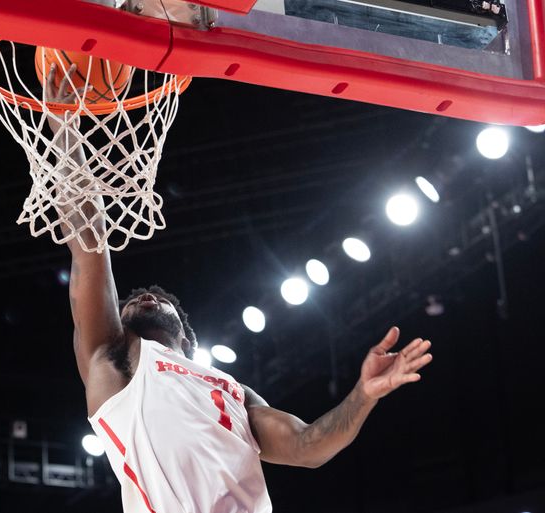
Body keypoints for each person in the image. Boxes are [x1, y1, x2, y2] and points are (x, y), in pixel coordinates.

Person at [44, 63, 433, 513]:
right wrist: (65, 129)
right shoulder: (111, 360)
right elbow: (90, 247)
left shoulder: (233, 392)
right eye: (133, 301)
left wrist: (362, 396)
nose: (145, 296)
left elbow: (309, 446)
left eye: (161, 299)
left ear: (188, 339)